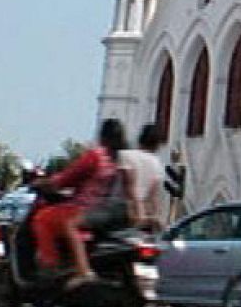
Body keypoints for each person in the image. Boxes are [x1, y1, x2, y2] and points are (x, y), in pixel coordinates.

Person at [32, 118, 126, 289]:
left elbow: (67, 178)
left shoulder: (96, 156)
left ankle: (50, 265)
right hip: (108, 210)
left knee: (42, 218)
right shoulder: (119, 159)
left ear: (102, 136)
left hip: (83, 208)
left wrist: (44, 183)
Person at [117, 124, 167, 233]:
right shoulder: (156, 163)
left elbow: (128, 186)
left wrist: (138, 212)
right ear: (157, 145)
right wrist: (156, 217)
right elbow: (153, 195)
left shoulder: (125, 155)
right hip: (142, 214)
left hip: (122, 212)